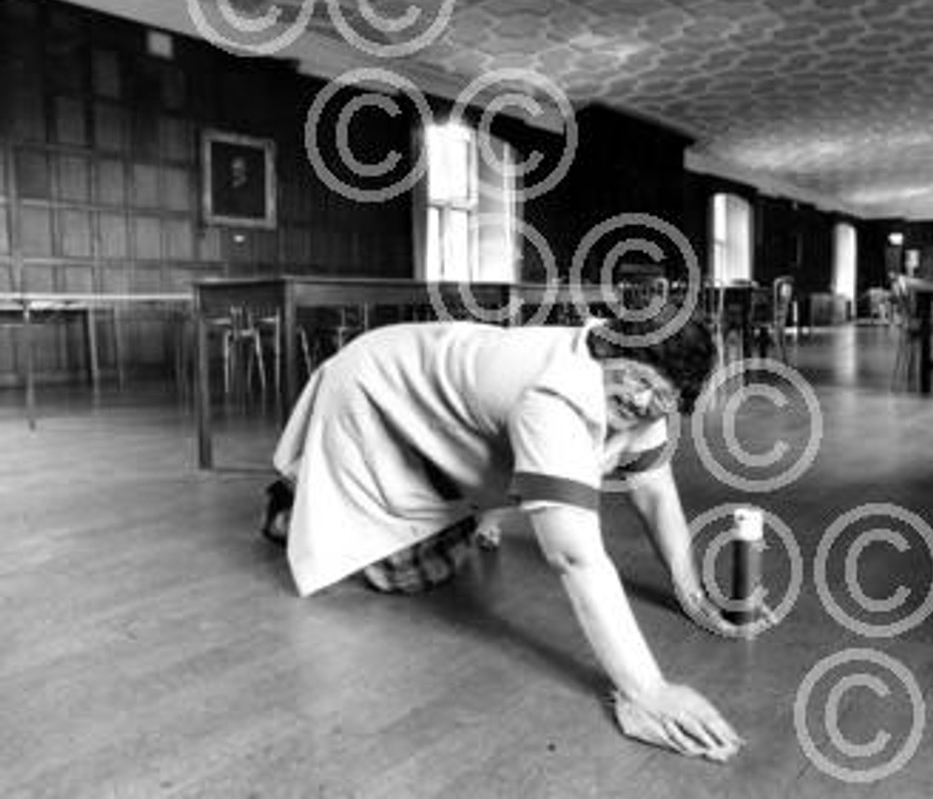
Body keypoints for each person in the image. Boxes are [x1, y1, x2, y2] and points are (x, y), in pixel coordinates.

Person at [262, 305, 744, 762]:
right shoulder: (554, 396)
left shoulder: (640, 397)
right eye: (637, 381)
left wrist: (691, 592)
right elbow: (574, 557)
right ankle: (292, 505)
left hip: (434, 383)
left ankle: (436, 506)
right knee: (402, 575)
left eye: (658, 397)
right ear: (611, 348)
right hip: (374, 385)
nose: (639, 400)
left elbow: (654, 491)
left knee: (469, 516)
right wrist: (648, 691)